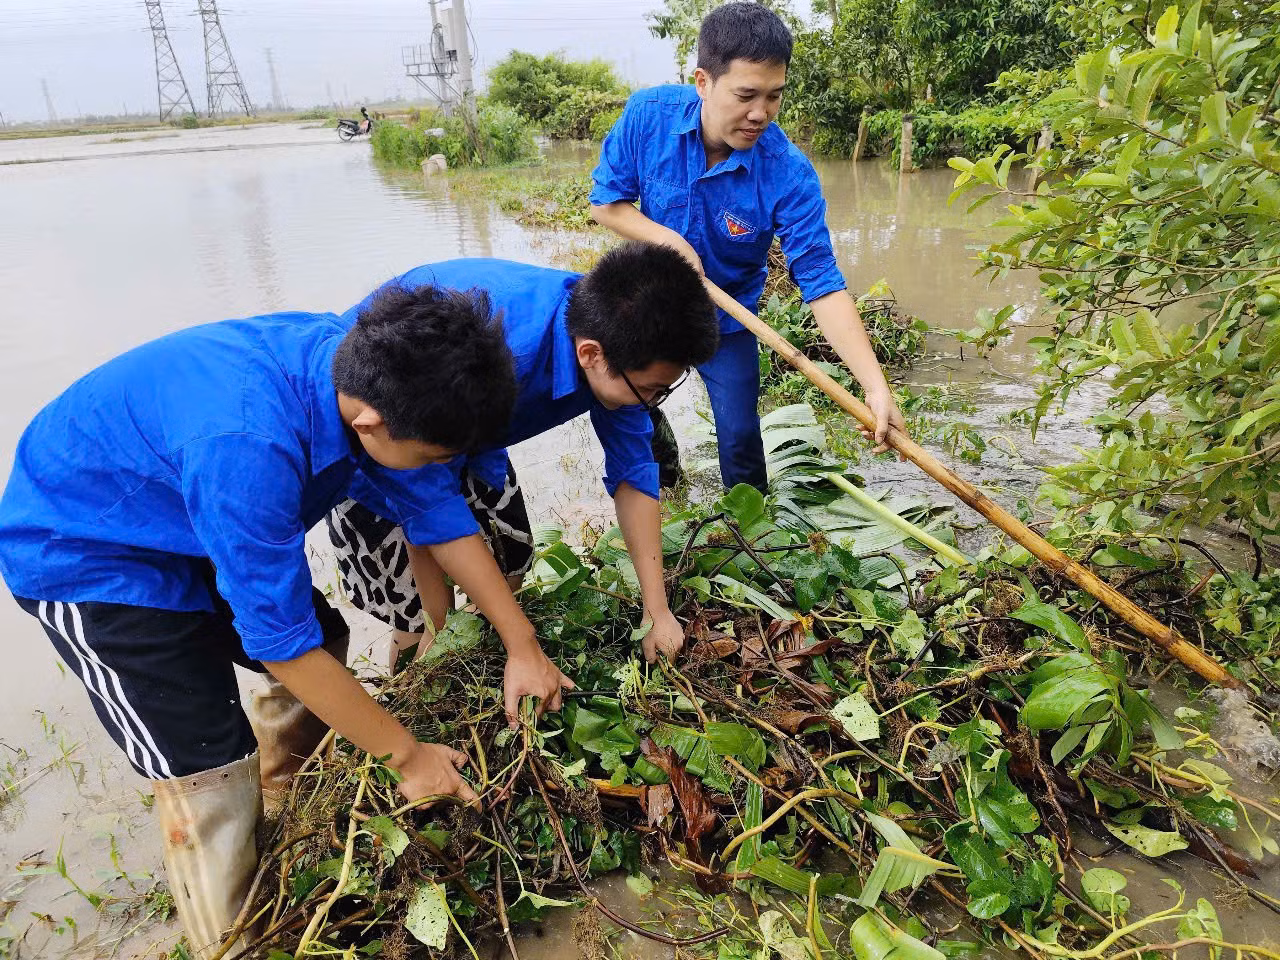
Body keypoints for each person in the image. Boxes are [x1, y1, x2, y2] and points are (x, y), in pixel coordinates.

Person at [0, 288, 553, 958]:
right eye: (435, 455)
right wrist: (407, 757)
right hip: (90, 551)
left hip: (184, 509)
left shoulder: (364, 371)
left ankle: (289, 806)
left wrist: (520, 644)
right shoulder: (249, 443)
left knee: (329, 640)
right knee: (206, 772)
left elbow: (437, 515)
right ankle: (233, 941)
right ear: (374, 424)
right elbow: (282, 645)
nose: (439, 471)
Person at [325, 242, 720, 678]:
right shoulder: (509, 354)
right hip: (383, 432)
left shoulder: (616, 336)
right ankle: (417, 683)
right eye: (649, 390)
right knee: (414, 616)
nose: (652, 402)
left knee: (509, 562)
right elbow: (425, 502)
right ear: (590, 354)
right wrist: (442, 635)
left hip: (472, 433)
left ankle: (488, 659)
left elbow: (633, 474)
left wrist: (657, 612)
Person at [589, 1, 908, 492]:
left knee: (739, 437)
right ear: (703, 82)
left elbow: (821, 284)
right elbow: (606, 204)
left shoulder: (788, 173)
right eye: (745, 95)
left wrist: (874, 385)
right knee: (629, 401)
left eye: (774, 96)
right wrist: (669, 241)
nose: (760, 113)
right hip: (648, 305)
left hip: (729, 321)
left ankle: (752, 538)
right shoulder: (647, 117)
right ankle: (663, 475)